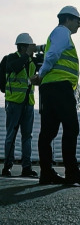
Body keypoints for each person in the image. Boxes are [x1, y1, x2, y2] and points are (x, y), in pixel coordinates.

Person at [31, 6, 80, 185]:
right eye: (78, 21)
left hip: (50, 89)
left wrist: (42, 77)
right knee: (71, 128)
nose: (79, 25)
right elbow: (52, 55)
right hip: (60, 88)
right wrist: (41, 74)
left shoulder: (56, 34)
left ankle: (46, 173)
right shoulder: (62, 32)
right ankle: (72, 172)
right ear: (68, 19)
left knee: (48, 132)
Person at [2, 33, 38, 178]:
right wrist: (27, 56)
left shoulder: (31, 61)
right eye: (30, 47)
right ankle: (7, 166)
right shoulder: (10, 58)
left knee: (27, 136)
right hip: (14, 102)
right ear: (23, 46)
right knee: (11, 134)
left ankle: (27, 167)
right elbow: (15, 68)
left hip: (28, 103)